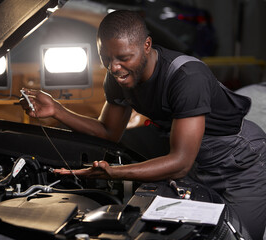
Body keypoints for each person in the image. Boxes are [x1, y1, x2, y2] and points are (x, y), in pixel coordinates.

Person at [20, 10, 266, 239]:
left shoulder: (187, 76)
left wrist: (114, 173)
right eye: (106, 57)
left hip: (240, 163)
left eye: (124, 58)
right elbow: (109, 132)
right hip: (198, 163)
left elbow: (179, 163)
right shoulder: (118, 75)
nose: (114, 67)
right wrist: (57, 111)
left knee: (236, 235)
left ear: (146, 45)